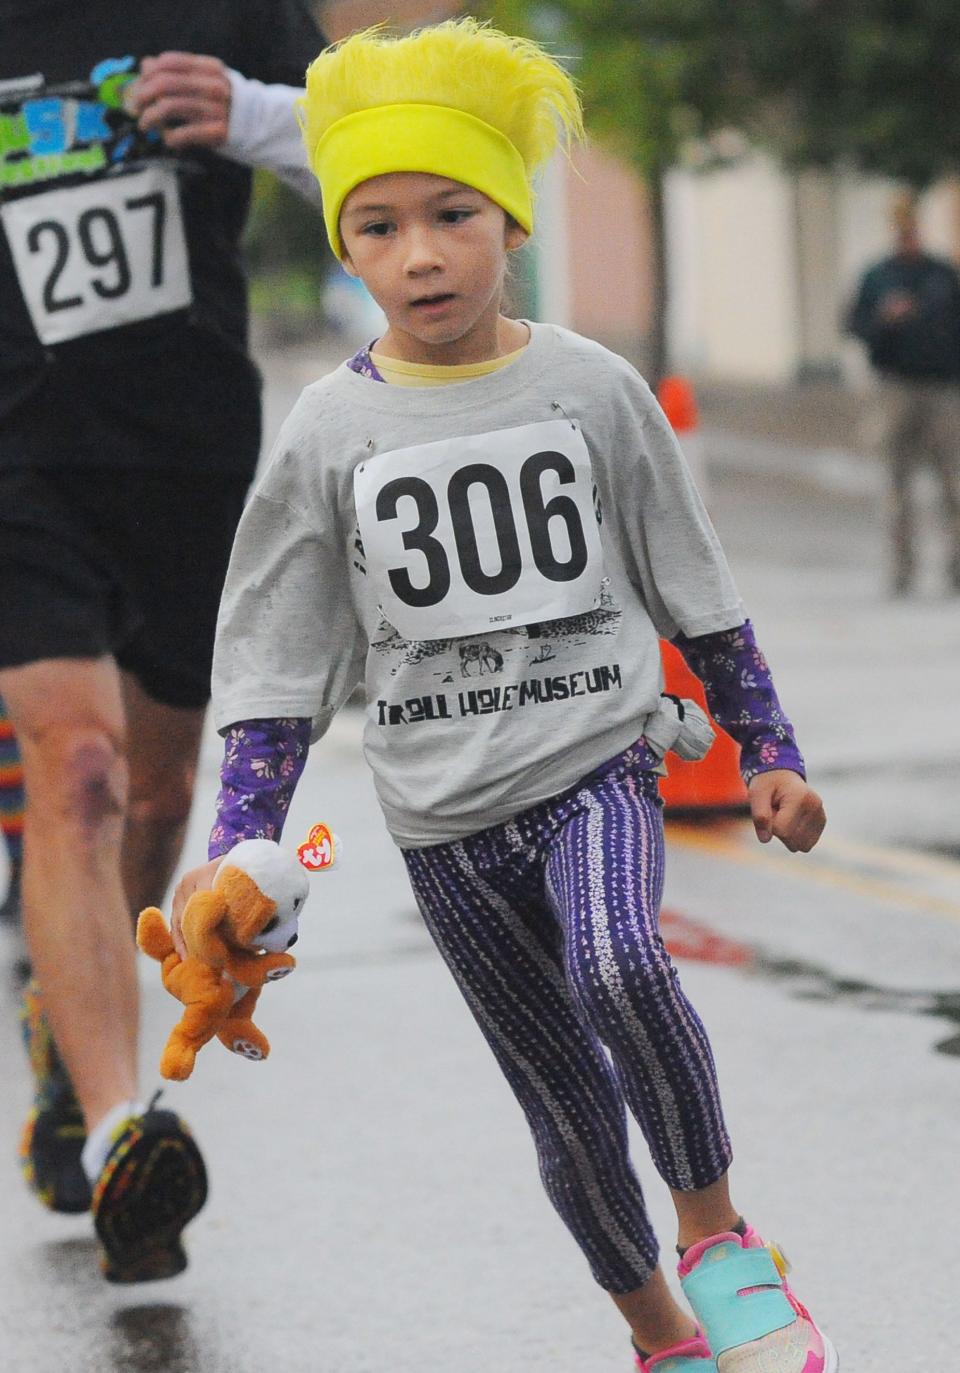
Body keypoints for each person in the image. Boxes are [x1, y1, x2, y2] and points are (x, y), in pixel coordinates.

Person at [174, 20, 836, 1373]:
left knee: (620, 959)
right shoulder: (327, 433)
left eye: (451, 215)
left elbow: (693, 581)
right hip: (442, 820)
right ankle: (659, 1334)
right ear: (345, 249)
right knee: (563, 1104)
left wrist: (765, 745)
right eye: (377, 226)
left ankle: (718, 1236)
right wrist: (239, 847)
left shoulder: (593, 388)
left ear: (510, 220)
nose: (419, 254)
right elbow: (278, 660)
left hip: (596, 758)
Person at [0, 0, 324, 1282]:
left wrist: (253, 115)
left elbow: (379, 146)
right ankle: (123, 1120)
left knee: (157, 786)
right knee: (74, 772)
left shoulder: (231, 5)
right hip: (16, 450)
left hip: (186, 448)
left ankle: (66, 1011)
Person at [847, 191, 960, 596]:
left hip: (942, 388)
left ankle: (955, 566)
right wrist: (884, 319)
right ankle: (901, 569)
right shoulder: (878, 276)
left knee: (952, 481)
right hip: (895, 387)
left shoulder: (942, 275)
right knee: (896, 483)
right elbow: (854, 325)